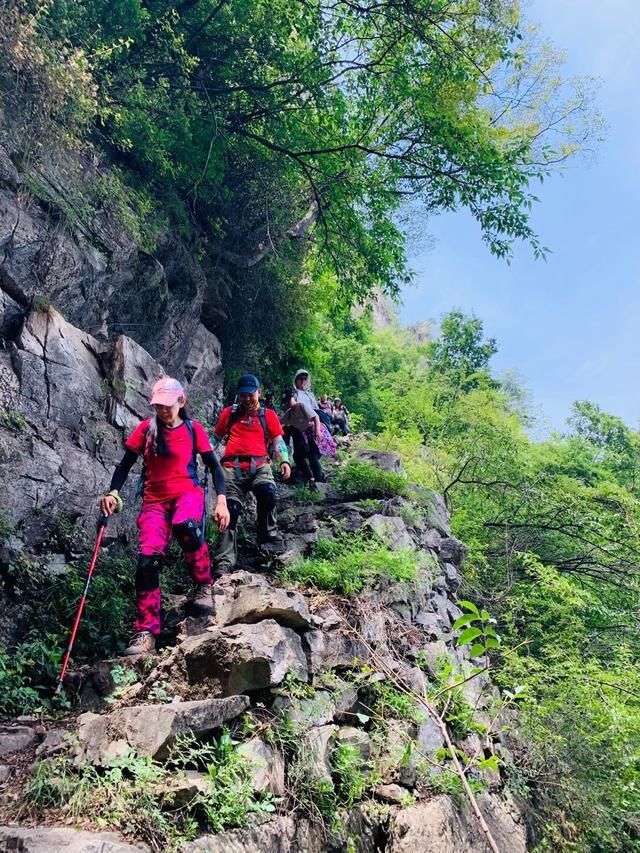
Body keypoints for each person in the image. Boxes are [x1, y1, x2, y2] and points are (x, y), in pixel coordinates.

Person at [100, 377, 230, 656]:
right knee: (147, 559)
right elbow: (125, 466)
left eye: (168, 405)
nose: (162, 410)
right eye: (158, 405)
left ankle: (203, 584)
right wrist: (113, 492)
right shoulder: (146, 430)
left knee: (186, 525)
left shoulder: (194, 430)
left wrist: (221, 501)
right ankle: (146, 631)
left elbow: (215, 468)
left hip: (188, 494)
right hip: (154, 501)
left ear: (181, 402)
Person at [212, 373, 291, 573]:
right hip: (231, 468)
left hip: (260, 464)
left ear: (258, 393)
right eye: (242, 395)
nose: (246, 399)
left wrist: (285, 460)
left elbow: (278, 441)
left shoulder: (268, 415)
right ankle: (224, 561)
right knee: (230, 510)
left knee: (267, 492)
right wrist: (202, 456)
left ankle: (268, 536)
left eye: (250, 394)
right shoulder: (229, 414)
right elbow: (216, 439)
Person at [281, 390, 324, 485]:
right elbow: (280, 422)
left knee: (312, 456)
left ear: (293, 398)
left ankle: (319, 480)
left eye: (289, 400)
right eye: (286, 402)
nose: (288, 403)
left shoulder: (302, 406)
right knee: (297, 457)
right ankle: (309, 476)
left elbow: (316, 417)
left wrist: (317, 431)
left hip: (311, 433)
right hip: (301, 436)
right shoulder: (289, 412)